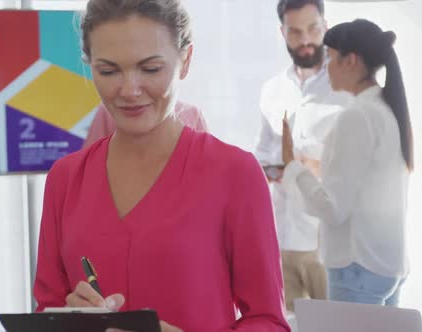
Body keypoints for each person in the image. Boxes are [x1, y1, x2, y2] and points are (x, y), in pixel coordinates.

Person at [33, 0, 290, 331]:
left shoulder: (234, 173)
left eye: (151, 69)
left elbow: (268, 322)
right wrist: (69, 321)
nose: (129, 90)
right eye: (108, 71)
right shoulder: (66, 179)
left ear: (185, 61)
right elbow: (45, 312)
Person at [282, 19, 413, 307]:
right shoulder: (385, 110)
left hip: (357, 269)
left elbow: (333, 209)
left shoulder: (356, 117)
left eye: (329, 57)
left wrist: (292, 167)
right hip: (385, 267)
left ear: (350, 60)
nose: (325, 66)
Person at [253, 0, 351, 311]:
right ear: (282, 33)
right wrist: (272, 168)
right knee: (291, 322)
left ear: (325, 26)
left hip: (331, 240)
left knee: (339, 323)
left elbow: (359, 164)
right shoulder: (272, 89)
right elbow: (262, 152)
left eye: (312, 29)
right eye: (295, 32)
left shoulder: (346, 85)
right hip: (284, 237)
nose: (305, 40)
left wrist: (306, 165)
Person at [83, 101, 207, 148]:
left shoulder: (192, 114)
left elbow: (206, 172)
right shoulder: (109, 112)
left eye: (152, 69)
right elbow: (89, 168)